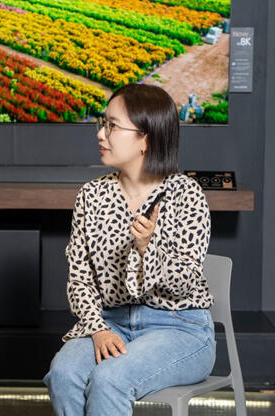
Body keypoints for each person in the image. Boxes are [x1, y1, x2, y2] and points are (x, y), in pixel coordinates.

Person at [43, 83, 216, 415]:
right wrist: (97, 329)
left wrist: (148, 248)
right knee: (64, 374)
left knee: (110, 379)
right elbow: (79, 279)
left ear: (145, 139)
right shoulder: (91, 195)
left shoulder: (187, 194)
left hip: (179, 327)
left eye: (113, 126)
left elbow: (186, 283)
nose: (100, 134)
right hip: (111, 323)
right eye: (103, 123)